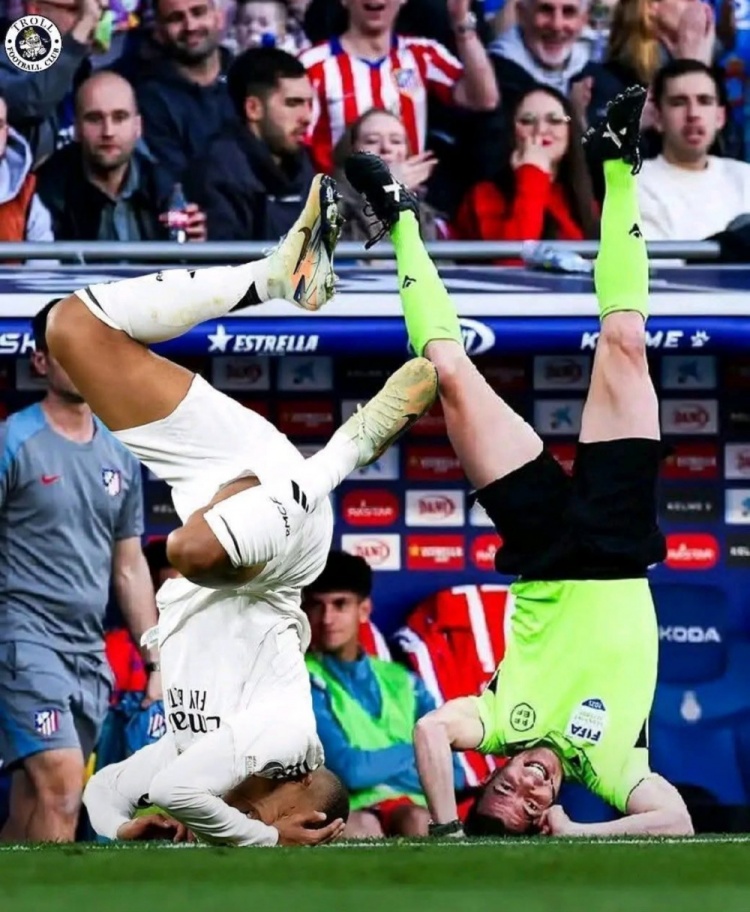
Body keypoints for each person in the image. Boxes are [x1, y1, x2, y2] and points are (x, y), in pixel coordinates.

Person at [343, 86, 695, 838]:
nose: (529, 784)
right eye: (532, 804)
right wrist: (581, 832)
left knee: (447, 372)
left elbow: (431, 731)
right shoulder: (611, 767)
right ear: (544, 818)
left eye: (505, 786)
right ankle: (617, 165)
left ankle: (400, 218)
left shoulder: (498, 722)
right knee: (626, 343)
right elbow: (675, 820)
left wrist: (446, 829)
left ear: (492, 772)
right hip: (618, 548)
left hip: (543, 550)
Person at [45, 176, 439, 846]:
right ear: (305, 808)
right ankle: (352, 446)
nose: (236, 826)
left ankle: (273, 274)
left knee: (74, 328)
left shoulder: (197, 756)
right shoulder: (284, 742)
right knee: (185, 552)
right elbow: (183, 795)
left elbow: (104, 791)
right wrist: (270, 839)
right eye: (266, 822)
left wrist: (127, 828)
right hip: (282, 548)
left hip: (222, 486)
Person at [0, 301, 160, 844]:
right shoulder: (13, 440)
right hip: (22, 642)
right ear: (41, 361)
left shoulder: (121, 453)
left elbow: (129, 566)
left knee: (33, 804)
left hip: (86, 653)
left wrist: (155, 657)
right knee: (65, 785)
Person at [303, 550, 464, 839]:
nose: (327, 618)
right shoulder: (301, 677)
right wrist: (418, 752)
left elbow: (455, 775)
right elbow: (349, 772)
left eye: (340, 604)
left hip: (413, 806)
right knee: (363, 828)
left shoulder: (402, 680)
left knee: (418, 820)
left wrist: (375, 766)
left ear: (363, 610)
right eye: (317, 605)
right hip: (348, 809)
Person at [37, 71, 207, 243]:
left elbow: (180, 252)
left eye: (119, 118)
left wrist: (193, 248)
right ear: (77, 129)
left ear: (138, 126)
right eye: (94, 119)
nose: (108, 132)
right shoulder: (47, 195)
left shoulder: (164, 188)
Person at [184, 47, 315, 241]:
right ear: (253, 108)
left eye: (309, 104)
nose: (307, 117)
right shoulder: (219, 172)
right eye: (292, 103)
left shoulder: (301, 165)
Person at [454, 85, 598, 249]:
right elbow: (513, 258)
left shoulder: (584, 200)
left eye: (555, 120)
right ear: (511, 133)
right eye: (527, 121)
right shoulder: (485, 196)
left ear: (570, 131)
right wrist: (532, 173)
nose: (540, 130)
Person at [636, 59, 750, 241]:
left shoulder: (744, 177)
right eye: (678, 103)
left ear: (720, 117)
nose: (693, 114)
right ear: (658, 117)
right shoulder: (636, 183)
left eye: (704, 101)